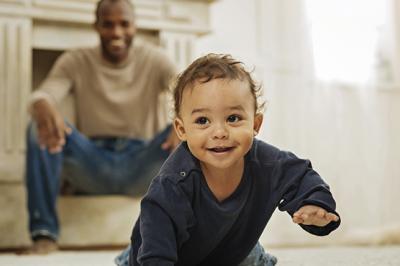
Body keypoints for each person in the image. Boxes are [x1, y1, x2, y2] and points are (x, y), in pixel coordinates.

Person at [116, 53, 341, 265]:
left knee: (248, 256)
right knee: (148, 247)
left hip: (230, 249)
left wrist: (313, 202)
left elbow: (300, 176)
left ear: (255, 124)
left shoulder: (269, 163)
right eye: (203, 121)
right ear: (182, 130)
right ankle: (128, 256)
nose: (220, 132)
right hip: (170, 253)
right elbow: (156, 242)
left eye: (233, 118)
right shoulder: (172, 184)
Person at [24, 0, 179, 254]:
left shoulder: (156, 59)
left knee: (192, 130)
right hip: (92, 163)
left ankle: (193, 235)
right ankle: (44, 233)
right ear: (96, 27)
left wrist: (183, 119)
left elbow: (187, 90)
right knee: (37, 126)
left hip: (143, 163)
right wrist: (42, 104)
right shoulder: (75, 60)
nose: (117, 32)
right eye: (108, 24)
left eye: (124, 24)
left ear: (135, 26)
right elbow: (45, 94)